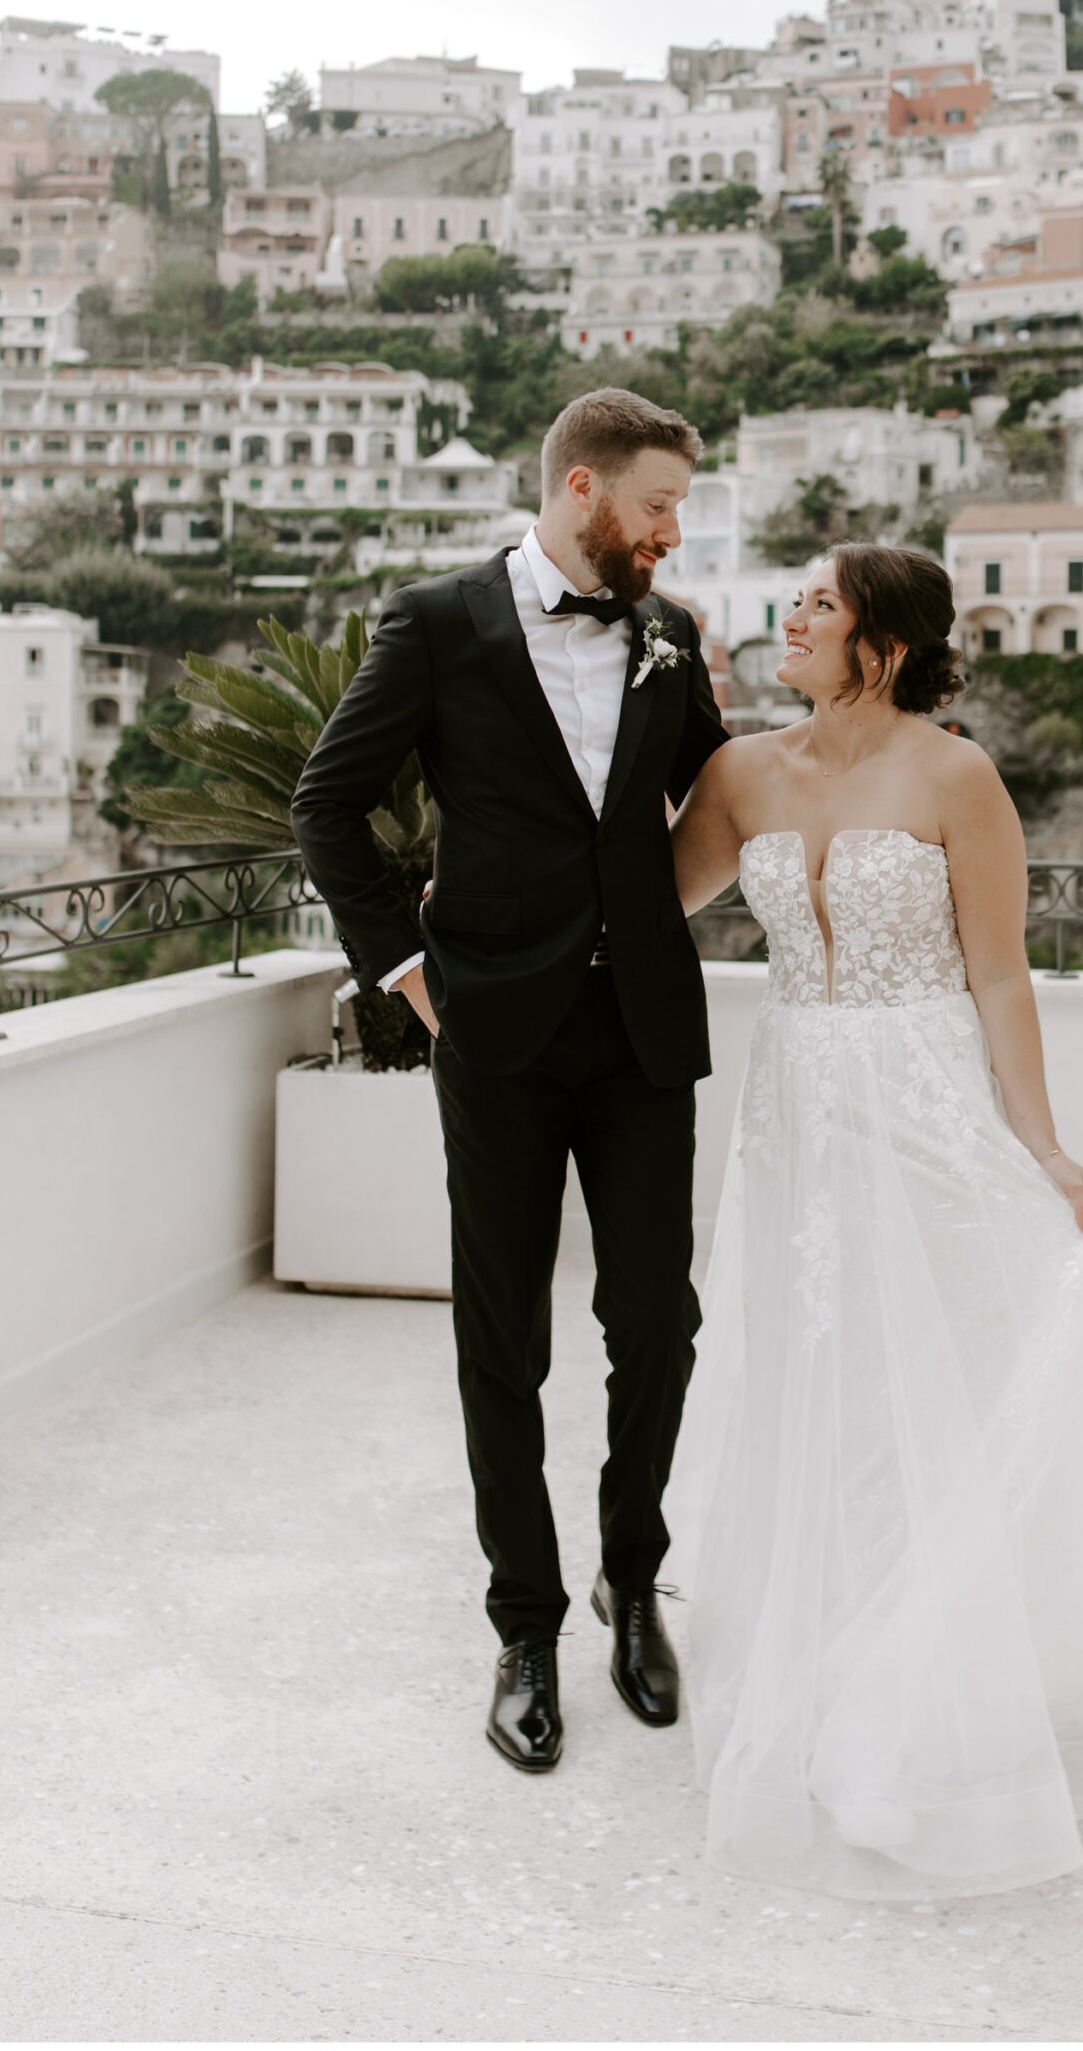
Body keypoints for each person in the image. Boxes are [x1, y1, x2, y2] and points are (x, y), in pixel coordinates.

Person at [664, 544, 1083, 1899]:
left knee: (938, 1378)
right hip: (799, 1113)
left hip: (927, 1097)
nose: (793, 618)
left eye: (819, 606)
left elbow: (1001, 978)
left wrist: (1042, 1142)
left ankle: (930, 1679)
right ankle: (825, 1649)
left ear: (882, 645)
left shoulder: (958, 777)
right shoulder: (739, 770)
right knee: (812, 1375)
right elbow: (647, 902)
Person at [291, 388, 728, 1775]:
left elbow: (724, 789)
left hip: (645, 1027)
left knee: (656, 1317)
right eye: (658, 506)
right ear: (584, 490)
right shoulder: (437, 623)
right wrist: (403, 975)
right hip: (497, 1032)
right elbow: (327, 801)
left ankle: (631, 1579)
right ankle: (526, 1621)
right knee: (505, 1338)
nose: (674, 533)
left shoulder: (670, 634)